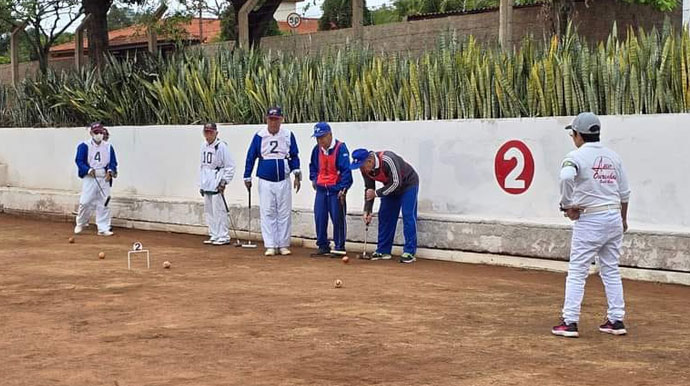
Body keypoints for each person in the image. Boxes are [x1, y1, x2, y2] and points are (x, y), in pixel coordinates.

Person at [552, 112, 631, 338]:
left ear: (578, 135)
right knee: (611, 270)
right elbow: (625, 193)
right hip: (614, 216)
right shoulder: (613, 157)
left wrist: (567, 205)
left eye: (572, 133)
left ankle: (570, 321)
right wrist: (623, 219)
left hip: (590, 219)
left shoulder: (575, 157)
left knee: (577, 270)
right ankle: (616, 320)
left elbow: (566, 177)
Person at [244, 107, 301, 256]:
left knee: (284, 212)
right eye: (271, 119)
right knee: (268, 211)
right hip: (265, 179)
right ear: (266, 119)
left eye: (276, 119)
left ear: (281, 119)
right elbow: (251, 156)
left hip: (283, 179)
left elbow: (294, 155)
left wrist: (297, 172)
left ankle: (283, 244)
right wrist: (247, 175)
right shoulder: (259, 136)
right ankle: (270, 244)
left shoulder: (288, 135)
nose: (273, 123)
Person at [350, 149, 419, 264]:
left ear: (370, 161)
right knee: (384, 215)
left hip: (408, 184)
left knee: (408, 214)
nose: (361, 169)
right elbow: (369, 189)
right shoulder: (365, 170)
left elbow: (397, 183)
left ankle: (409, 252)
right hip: (389, 186)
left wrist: (376, 194)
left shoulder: (388, 159)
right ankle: (383, 250)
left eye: (361, 166)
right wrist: (367, 210)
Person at [309, 122, 352, 256]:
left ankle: (339, 246)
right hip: (321, 189)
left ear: (330, 135)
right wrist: (314, 179)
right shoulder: (316, 150)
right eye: (317, 138)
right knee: (319, 217)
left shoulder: (341, 149)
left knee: (338, 218)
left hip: (336, 190)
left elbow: (346, 171)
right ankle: (322, 245)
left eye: (322, 137)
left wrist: (343, 188)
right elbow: (313, 166)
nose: (320, 140)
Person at [74, 123, 118, 236]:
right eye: (96, 132)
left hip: (104, 177)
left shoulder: (108, 146)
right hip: (90, 176)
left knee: (104, 202)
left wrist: (110, 171)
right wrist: (87, 170)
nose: (99, 135)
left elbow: (112, 162)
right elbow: (79, 161)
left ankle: (103, 228)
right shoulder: (84, 146)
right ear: (91, 133)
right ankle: (81, 223)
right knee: (85, 201)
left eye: (100, 132)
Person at [199, 123, 236, 246]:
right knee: (209, 209)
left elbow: (230, 166)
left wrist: (224, 181)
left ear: (216, 133)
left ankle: (223, 235)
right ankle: (214, 234)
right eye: (206, 132)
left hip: (216, 179)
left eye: (211, 132)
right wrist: (201, 183)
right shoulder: (203, 146)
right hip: (207, 181)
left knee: (219, 209)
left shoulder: (221, 146)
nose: (208, 135)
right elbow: (202, 166)